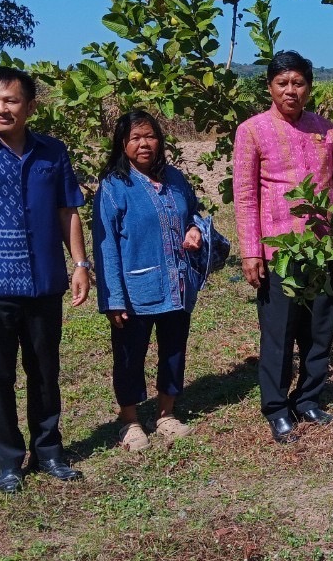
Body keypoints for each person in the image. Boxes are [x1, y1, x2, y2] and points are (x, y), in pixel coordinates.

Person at [0, 66, 89, 493]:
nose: (1, 108)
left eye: (10, 100)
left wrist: (80, 264)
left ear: (30, 106)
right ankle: (8, 460)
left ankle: (49, 451)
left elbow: (67, 211)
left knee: (45, 370)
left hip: (44, 282)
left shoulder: (52, 151)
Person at [233, 50, 333, 444]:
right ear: (270, 87)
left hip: (323, 248)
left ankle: (308, 398)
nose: (290, 90)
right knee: (279, 332)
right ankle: (277, 409)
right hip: (281, 250)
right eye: (283, 83)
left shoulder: (323, 128)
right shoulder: (252, 131)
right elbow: (245, 195)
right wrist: (251, 251)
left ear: (309, 88)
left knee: (319, 329)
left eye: (298, 83)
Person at [92, 110, 203, 452]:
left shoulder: (174, 178)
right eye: (135, 138)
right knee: (129, 356)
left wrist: (194, 229)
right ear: (122, 144)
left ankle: (166, 414)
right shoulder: (114, 186)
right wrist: (112, 298)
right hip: (135, 290)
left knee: (173, 350)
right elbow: (106, 245)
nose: (144, 144)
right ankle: (129, 421)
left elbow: (193, 212)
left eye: (150, 136)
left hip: (176, 284)